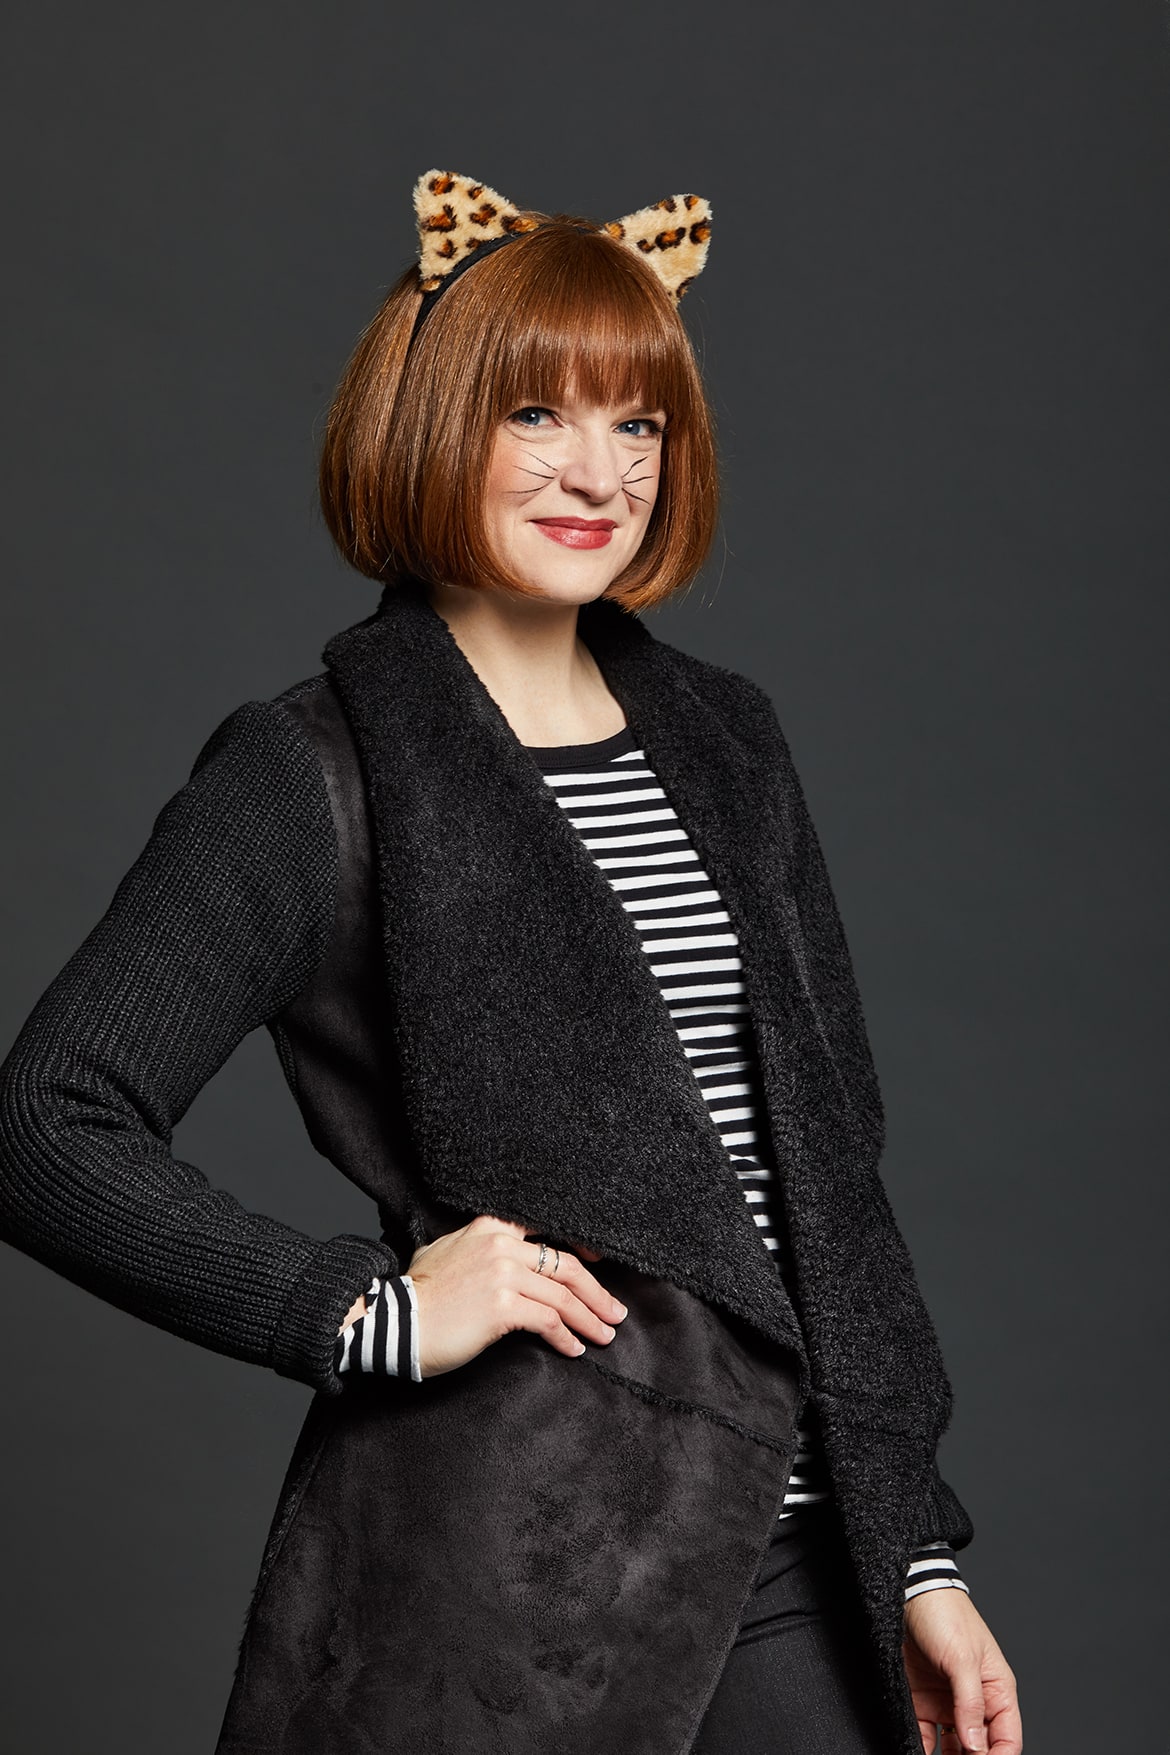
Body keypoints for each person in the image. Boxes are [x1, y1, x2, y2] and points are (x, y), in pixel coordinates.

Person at [0, 168, 1022, 1755]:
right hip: (500, 1574)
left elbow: (829, 1184)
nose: (598, 472)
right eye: (536, 413)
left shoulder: (726, 740)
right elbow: (46, 1123)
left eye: (639, 423)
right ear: (431, 424)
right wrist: (364, 1309)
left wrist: (914, 1550)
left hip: (794, 1556)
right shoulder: (312, 771)